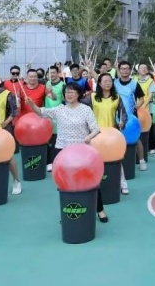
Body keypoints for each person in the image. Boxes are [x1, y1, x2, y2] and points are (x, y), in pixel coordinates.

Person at [25, 83, 109, 222]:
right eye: (67, 92)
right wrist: (31, 104)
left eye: (72, 92)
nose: (69, 94)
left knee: (90, 180)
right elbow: (40, 112)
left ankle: (100, 210)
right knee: (65, 183)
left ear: (79, 94)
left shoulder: (86, 109)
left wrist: (88, 137)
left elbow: (95, 129)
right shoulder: (59, 109)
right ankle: (68, 211)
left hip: (82, 152)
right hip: (63, 152)